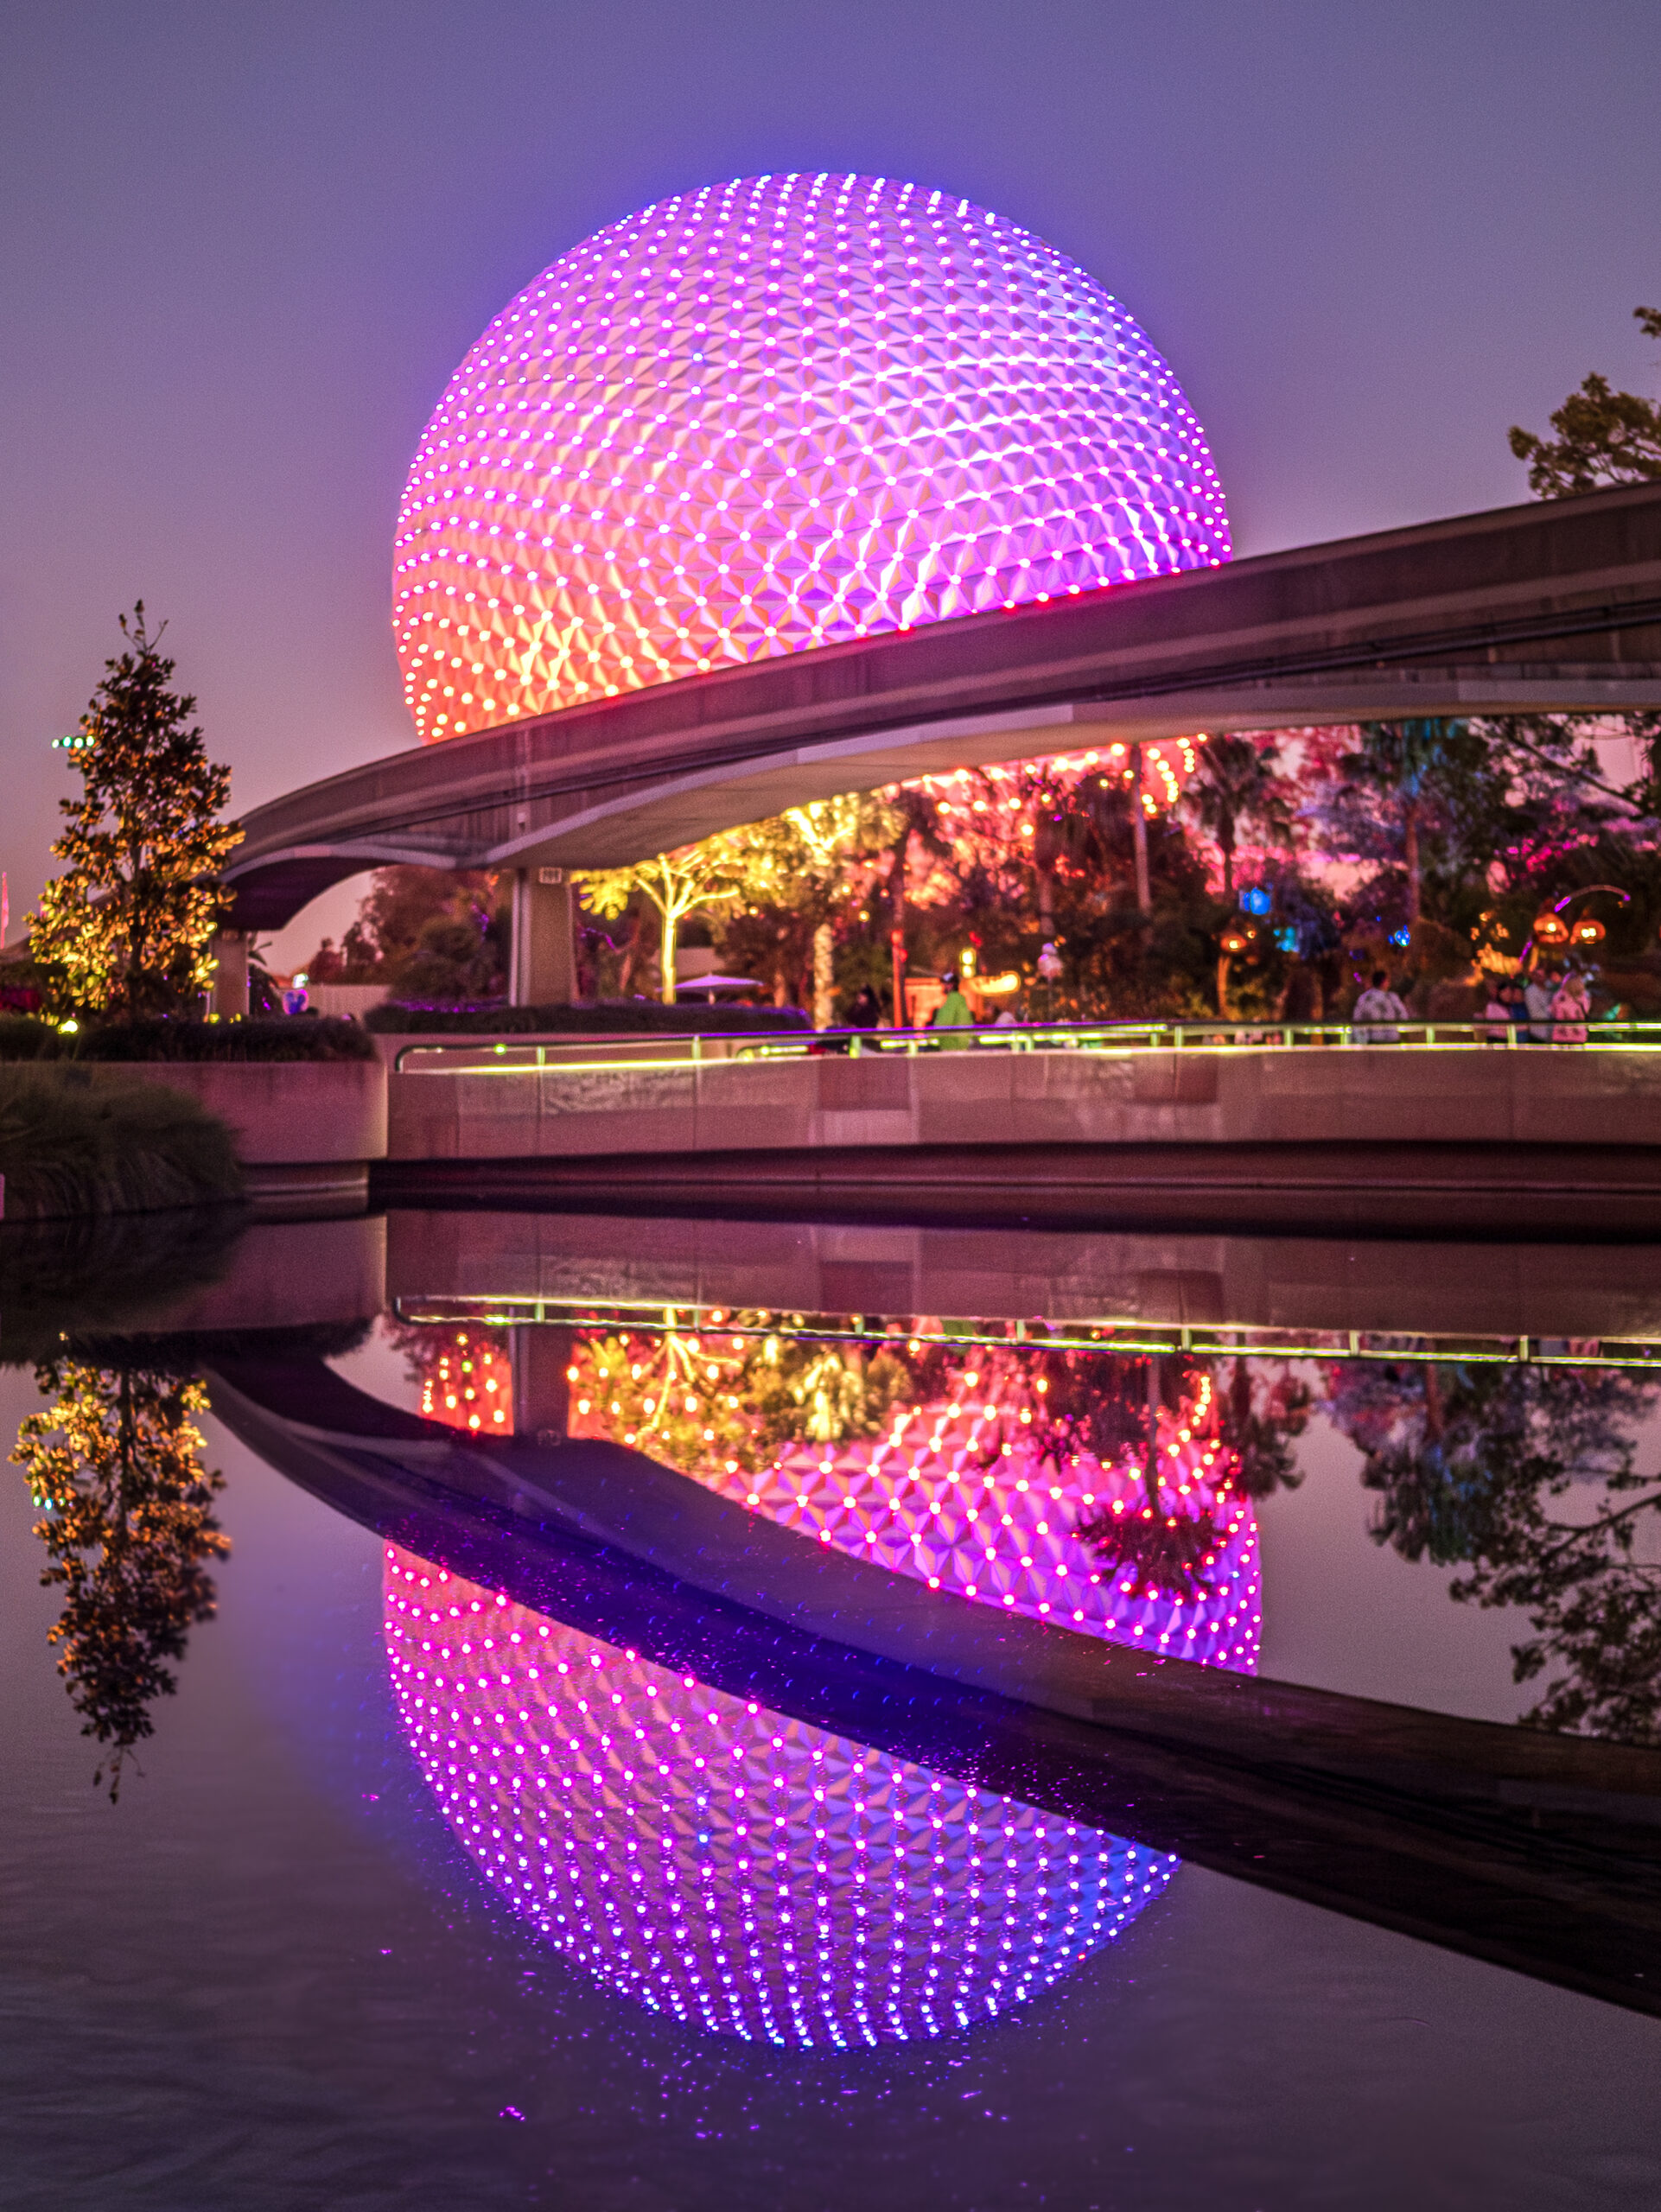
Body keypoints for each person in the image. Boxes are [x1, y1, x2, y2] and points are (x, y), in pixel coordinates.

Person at [1351, 968, 1408, 1045]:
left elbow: (1357, 1020)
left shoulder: (1364, 998)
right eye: (1388, 980)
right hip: (1391, 1041)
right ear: (1383, 982)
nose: (1389, 983)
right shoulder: (1392, 998)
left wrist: (1361, 1041)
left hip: (1373, 1041)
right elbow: (1403, 1016)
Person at [930, 972, 975, 1051]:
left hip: (952, 1045)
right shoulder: (960, 1000)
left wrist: (930, 1035)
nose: (942, 987)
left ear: (950, 985)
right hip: (961, 1045)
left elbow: (944, 1023)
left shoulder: (952, 1000)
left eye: (944, 984)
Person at [1550, 967, 1591, 1046]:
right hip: (1578, 1035)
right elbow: (1586, 1011)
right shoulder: (1584, 997)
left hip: (1560, 1035)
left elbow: (1553, 1012)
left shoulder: (1558, 996)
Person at [1524, 965, 1556, 1044]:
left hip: (1551, 1034)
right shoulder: (1530, 991)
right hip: (1538, 1034)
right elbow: (1535, 1013)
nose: (1538, 978)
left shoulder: (1550, 991)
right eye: (1536, 975)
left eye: (1541, 976)